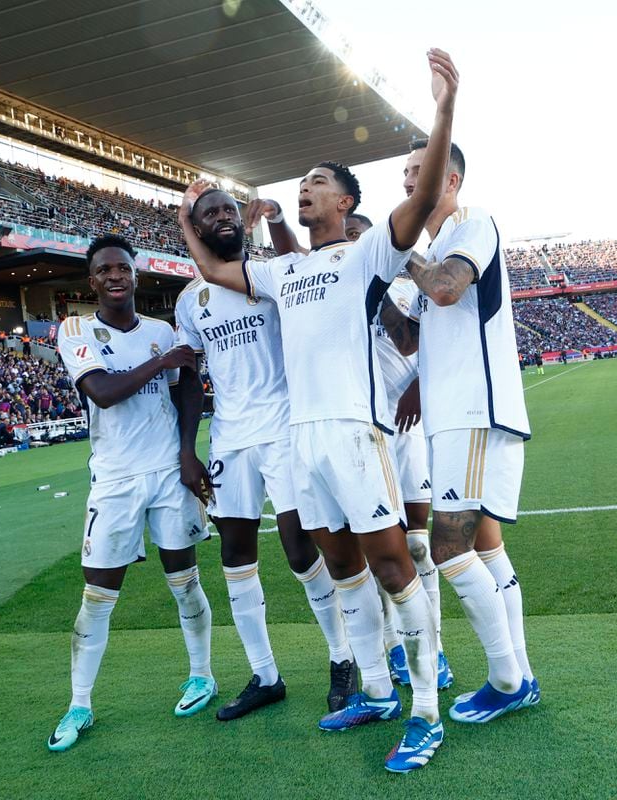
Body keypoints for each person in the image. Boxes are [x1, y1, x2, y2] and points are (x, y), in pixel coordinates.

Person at [179, 48, 458, 773]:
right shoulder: (283, 269)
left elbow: (423, 200)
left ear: (346, 204)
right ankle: (372, 689)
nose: (304, 191)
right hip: (301, 439)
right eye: (301, 184)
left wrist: (442, 109)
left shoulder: (367, 256)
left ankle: (425, 712)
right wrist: (187, 216)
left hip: (355, 433)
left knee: (393, 565)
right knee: (342, 569)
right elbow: (212, 269)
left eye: (317, 185)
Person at [174, 187, 357, 722]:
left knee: (302, 550)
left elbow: (300, 263)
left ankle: (341, 658)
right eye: (211, 214)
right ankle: (265, 674)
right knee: (235, 555)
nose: (223, 218)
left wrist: (276, 221)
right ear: (199, 229)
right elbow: (190, 378)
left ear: (241, 220)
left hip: (284, 428)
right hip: (230, 436)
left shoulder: (275, 276)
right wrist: (189, 450)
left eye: (229, 210)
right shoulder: (191, 301)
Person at [382, 139, 538, 725]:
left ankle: (506, 679)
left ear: (449, 181)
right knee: (487, 548)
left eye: (417, 174)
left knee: (449, 550)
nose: (406, 184)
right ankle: (518, 672)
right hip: (455, 417)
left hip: (474, 411)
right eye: (403, 175)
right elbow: (412, 337)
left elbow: (447, 287)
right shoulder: (440, 244)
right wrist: (380, 293)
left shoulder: (472, 223)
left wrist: (400, 258)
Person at [47, 234, 211, 753]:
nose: (115, 276)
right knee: (97, 597)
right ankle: (79, 703)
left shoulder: (163, 330)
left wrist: (188, 453)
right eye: (105, 270)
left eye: (123, 268)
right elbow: (102, 392)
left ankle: (201, 675)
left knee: (184, 580)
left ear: (136, 276)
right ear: (91, 281)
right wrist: (160, 364)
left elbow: (190, 390)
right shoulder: (76, 329)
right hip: (115, 478)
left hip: (167, 471)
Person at [347, 212, 452, 693]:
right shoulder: (336, 292)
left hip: (407, 427)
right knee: (375, 553)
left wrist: (418, 386)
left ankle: (435, 646)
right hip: (361, 432)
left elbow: (435, 346)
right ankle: (394, 647)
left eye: (359, 237)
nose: (352, 244)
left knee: (416, 544)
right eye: (346, 237)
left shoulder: (411, 284)